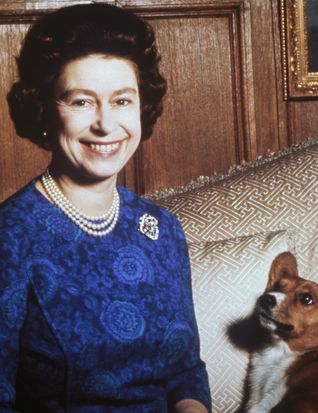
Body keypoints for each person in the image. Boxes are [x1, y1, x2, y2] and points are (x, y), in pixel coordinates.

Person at [0, 3, 211, 412]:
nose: (105, 124)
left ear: (141, 108)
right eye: (81, 102)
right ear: (44, 110)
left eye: (121, 101)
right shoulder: (9, 237)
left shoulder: (161, 229)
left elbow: (185, 371)